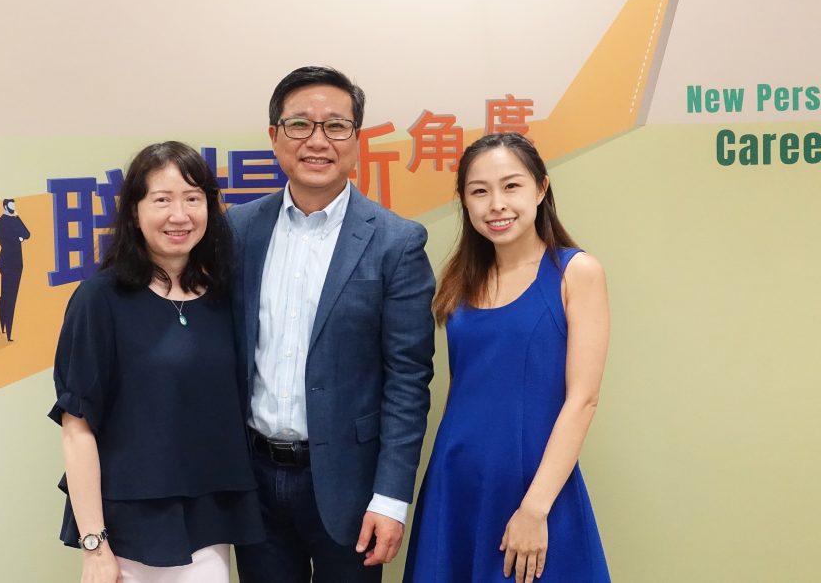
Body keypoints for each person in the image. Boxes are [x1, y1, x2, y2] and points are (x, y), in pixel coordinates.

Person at [227, 66, 436, 582]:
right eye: (299, 124)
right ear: (275, 136)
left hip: (353, 489)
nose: (317, 141)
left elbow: (408, 380)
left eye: (336, 126)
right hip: (255, 482)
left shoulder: (396, 242)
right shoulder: (237, 230)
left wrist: (391, 498)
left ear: (356, 140)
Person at [48, 142, 263, 583]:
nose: (179, 215)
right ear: (134, 211)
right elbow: (77, 428)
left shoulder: (225, 297)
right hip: (128, 531)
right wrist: (95, 547)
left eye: (192, 198)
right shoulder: (99, 300)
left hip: (209, 522)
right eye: (162, 200)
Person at [403, 132, 611, 583]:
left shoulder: (576, 272)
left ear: (540, 188)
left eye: (511, 186)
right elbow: (463, 391)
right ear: (464, 201)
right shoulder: (461, 281)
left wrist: (535, 509)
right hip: (456, 482)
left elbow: (583, 399)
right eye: (479, 191)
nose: (496, 204)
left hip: (534, 487)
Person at [0, 198, 30, 341]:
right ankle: (6, 329)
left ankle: (6, 329)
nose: (13, 208)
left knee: (8, 296)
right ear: (5, 206)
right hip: (9, 263)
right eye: (11, 205)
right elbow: (10, 240)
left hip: (14, 263)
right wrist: (19, 238)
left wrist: (17, 217)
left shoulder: (10, 220)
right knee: (8, 297)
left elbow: (27, 234)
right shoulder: (1, 223)